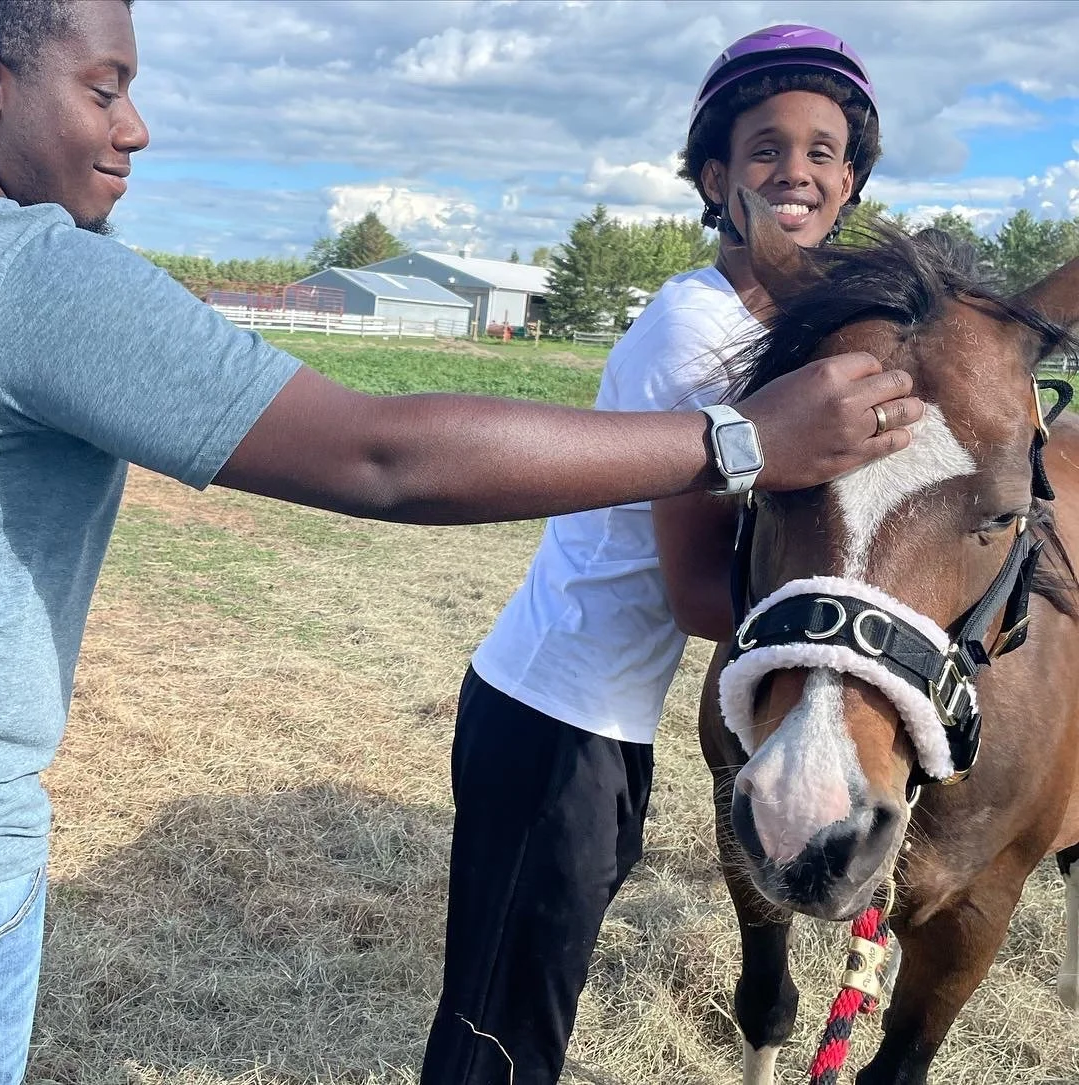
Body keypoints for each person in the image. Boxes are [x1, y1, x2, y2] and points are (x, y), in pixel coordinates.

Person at [0, 6, 913, 1084]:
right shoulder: (27, 273)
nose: (135, 128)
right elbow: (381, 455)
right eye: (106, 87)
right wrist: (742, 442)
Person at [422, 24, 883, 1085]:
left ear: (851, 180)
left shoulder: (772, 333)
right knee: (500, 1032)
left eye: (823, 149)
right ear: (718, 177)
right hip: (557, 722)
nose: (796, 170)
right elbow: (693, 591)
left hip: (603, 717)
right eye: (765, 147)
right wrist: (869, 635)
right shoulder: (702, 335)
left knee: (525, 1005)